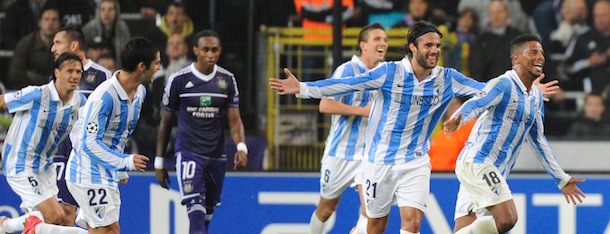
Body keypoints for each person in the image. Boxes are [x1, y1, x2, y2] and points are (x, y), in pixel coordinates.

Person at [270, 21, 558, 234]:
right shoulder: (389, 72)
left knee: (412, 222)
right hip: (379, 161)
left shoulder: (447, 78)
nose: (434, 51)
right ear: (413, 47)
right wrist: (303, 88)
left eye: (437, 46)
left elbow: (487, 90)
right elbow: (346, 84)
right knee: (375, 226)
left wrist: (525, 87)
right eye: (428, 46)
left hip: (416, 162)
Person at [443, 34, 586, 234]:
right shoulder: (504, 84)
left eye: (542, 53)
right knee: (507, 219)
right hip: (478, 163)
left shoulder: (535, 97)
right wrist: (459, 118)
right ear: (517, 59)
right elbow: (478, 102)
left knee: (466, 228)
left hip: (491, 172)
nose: (540, 57)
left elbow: (538, 140)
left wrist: (561, 178)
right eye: (533, 52)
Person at [154, 30, 248, 234]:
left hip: (216, 156)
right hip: (188, 153)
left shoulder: (227, 80)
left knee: (206, 215)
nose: (210, 54)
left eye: (214, 50)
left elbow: (234, 120)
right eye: (205, 49)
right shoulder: (179, 80)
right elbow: (166, 122)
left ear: (220, 51)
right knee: (195, 212)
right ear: (196, 50)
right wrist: (159, 161)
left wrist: (241, 147)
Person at [62, 37, 159, 234]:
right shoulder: (103, 97)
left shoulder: (140, 92)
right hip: (86, 172)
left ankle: (39, 228)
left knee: (103, 230)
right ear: (142, 66)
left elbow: (119, 134)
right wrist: (124, 162)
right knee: (109, 230)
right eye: (156, 63)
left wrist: (119, 168)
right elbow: (88, 144)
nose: (159, 68)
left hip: (107, 171)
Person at [309, 23, 387, 234]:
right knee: (326, 210)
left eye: (385, 40)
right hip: (340, 153)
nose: (383, 43)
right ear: (363, 45)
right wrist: (362, 111)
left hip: (368, 155)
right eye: (377, 39)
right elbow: (325, 105)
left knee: (371, 211)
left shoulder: (385, 73)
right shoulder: (347, 70)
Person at [0, 52, 88, 234]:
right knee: (54, 216)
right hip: (20, 164)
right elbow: (2, 102)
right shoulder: (37, 95)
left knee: (61, 219)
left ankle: (7, 226)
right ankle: (8, 226)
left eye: (78, 72)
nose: (75, 76)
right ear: (57, 72)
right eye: (69, 71)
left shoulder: (79, 103)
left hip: (45, 168)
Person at [50, 26, 112, 227]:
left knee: (97, 221)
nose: (53, 48)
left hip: (88, 155)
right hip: (61, 149)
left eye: (58, 42)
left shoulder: (102, 76)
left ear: (74, 45)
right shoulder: (56, 75)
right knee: (63, 213)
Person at [7, 6, 61, 90]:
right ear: (39, 22)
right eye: (46, 19)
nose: (50, 23)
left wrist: (33, 76)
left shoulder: (63, 44)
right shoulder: (26, 43)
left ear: (59, 23)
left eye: (54, 20)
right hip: (28, 92)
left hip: (55, 91)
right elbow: (16, 74)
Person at [469, 0, 522, 82]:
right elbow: (476, 71)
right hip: (489, 88)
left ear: (507, 14)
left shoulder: (519, 38)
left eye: (499, 12)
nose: (496, 16)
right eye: (492, 13)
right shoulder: (480, 42)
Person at [428, 96, 475, 172]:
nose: (449, 108)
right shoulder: (443, 130)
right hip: (434, 176)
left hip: (453, 176)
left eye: (453, 104)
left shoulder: (472, 127)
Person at [81, 0, 131, 68]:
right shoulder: (88, 30)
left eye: (110, 9)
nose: (106, 13)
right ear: (98, 11)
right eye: (103, 9)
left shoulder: (122, 28)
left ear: (116, 11)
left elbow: (126, 53)